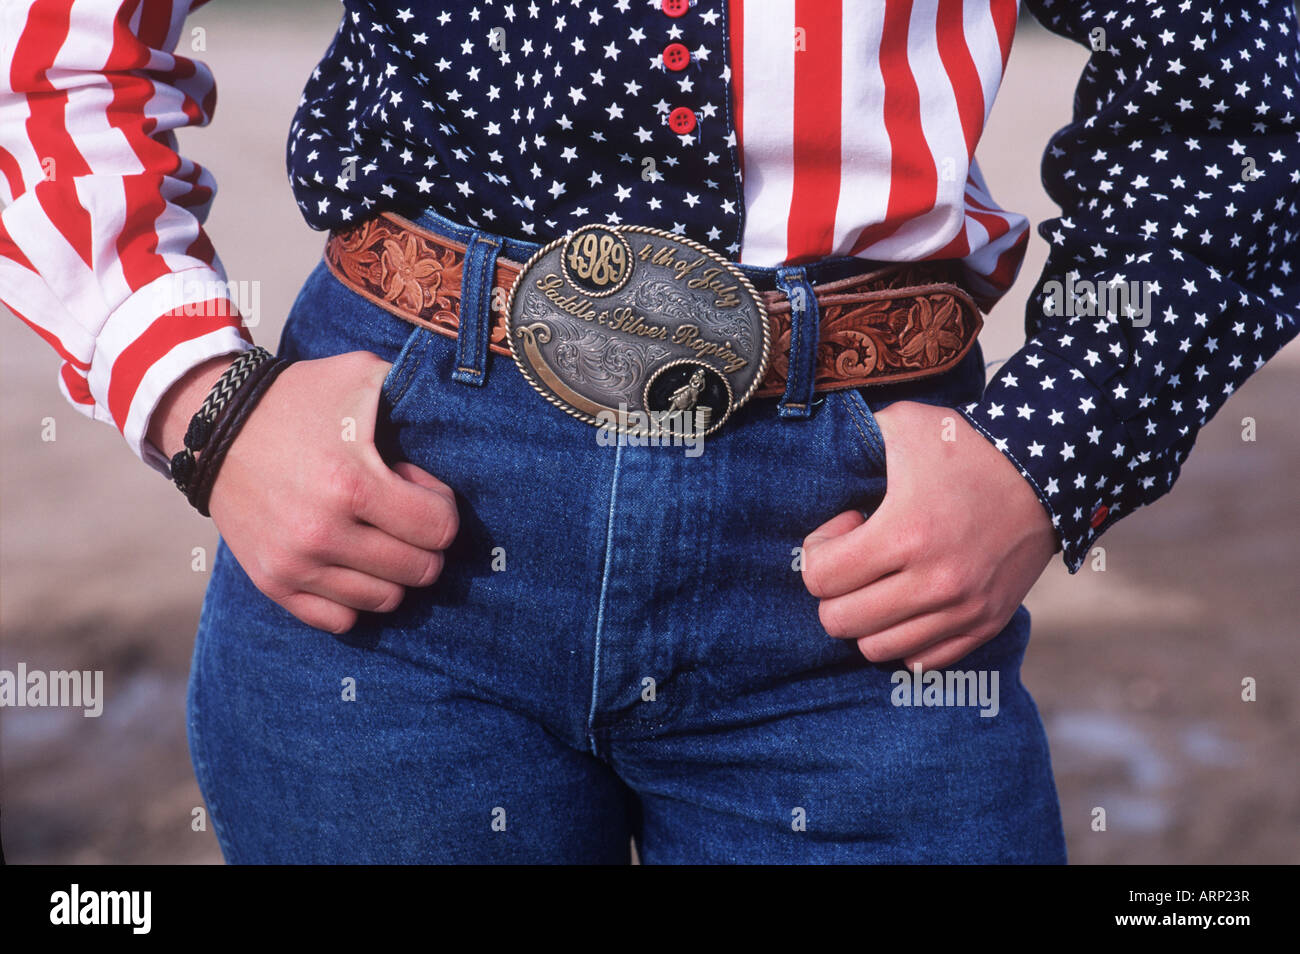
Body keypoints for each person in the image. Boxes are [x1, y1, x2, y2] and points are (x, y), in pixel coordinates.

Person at [2, 0, 1296, 864]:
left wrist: (1054, 445)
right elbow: (51, 47)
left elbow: (1244, 65)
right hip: (391, 513)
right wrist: (203, 402)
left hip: (862, 557)